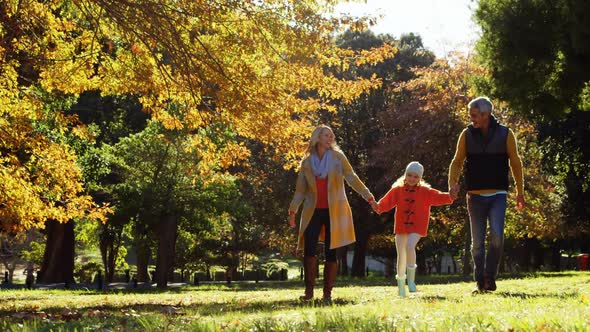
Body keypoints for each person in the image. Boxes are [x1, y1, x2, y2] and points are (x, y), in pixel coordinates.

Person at [288, 125, 375, 303]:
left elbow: (351, 177)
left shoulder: (338, 158)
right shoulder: (307, 162)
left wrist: (368, 195)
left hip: (334, 211)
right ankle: (309, 291)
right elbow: (300, 190)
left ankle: (327, 293)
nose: (330, 138)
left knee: (331, 251)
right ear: (317, 138)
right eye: (327, 135)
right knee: (309, 249)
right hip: (312, 210)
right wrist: (292, 210)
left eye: (332, 136)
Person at [448, 96, 525, 294]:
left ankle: (490, 276)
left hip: (498, 194)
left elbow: (515, 163)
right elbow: (457, 162)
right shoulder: (466, 135)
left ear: (486, 114)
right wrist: (453, 184)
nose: (471, 118)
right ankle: (480, 282)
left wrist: (520, 191)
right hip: (474, 196)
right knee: (477, 244)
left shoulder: (505, 134)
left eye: (474, 115)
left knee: (497, 236)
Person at [372, 161, 453, 297]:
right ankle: (401, 287)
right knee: (401, 254)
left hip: (418, 225)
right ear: (405, 174)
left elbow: (439, 196)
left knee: (410, 246)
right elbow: (386, 202)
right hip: (401, 225)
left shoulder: (425, 191)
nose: (412, 179)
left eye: (416, 177)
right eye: (409, 175)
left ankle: (411, 281)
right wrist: (377, 206)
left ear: (420, 178)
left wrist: (451, 195)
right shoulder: (397, 189)